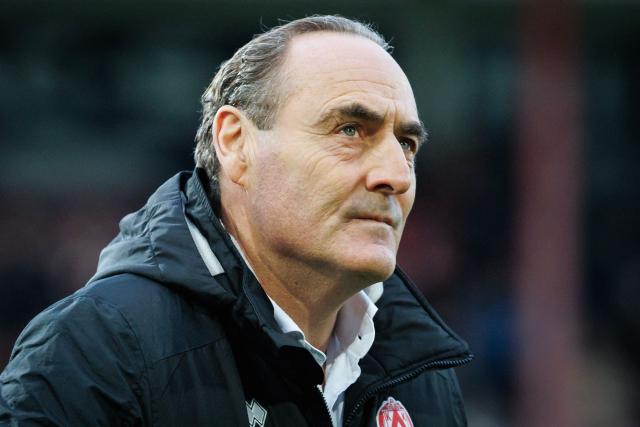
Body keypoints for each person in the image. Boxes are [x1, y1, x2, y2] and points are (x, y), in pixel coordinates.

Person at [0, 15, 472, 426]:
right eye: (349, 130)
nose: (395, 176)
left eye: (406, 145)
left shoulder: (423, 378)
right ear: (236, 143)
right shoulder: (94, 352)